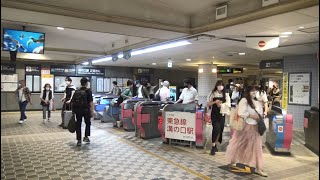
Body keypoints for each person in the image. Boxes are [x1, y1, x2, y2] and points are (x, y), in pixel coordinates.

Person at [225, 85, 268, 177]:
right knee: (238, 144)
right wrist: (252, 116)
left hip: (255, 128)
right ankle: (232, 161)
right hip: (245, 127)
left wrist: (260, 116)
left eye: (255, 91)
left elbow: (260, 113)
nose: (254, 92)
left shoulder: (257, 102)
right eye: (252, 91)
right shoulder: (244, 101)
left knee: (256, 148)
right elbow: (241, 113)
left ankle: (258, 168)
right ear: (248, 92)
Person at [206, 80, 231, 155]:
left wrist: (222, 105)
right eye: (219, 85)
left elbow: (228, 104)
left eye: (222, 85)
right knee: (216, 129)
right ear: (216, 86)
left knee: (220, 130)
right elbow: (208, 103)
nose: (220, 87)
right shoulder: (212, 93)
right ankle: (213, 146)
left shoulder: (226, 94)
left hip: (222, 114)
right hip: (214, 114)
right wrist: (215, 102)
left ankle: (215, 144)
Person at [72, 77, 95, 146]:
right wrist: (92, 111)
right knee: (87, 123)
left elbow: (73, 101)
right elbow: (91, 102)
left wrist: (73, 111)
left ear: (81, 83)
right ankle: (86, 137)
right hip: (86, 110)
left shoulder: (77, 90)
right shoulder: (88, 91)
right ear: (87, 83)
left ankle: (79, 140)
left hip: (78, 110)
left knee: (78, 124)